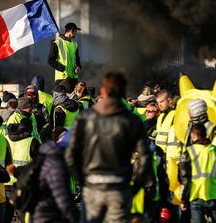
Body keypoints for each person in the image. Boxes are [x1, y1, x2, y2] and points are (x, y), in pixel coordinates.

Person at [65, 71, 151, 223]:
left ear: (103, 91)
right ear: (123, 92)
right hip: (119, 188)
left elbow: (70, 155)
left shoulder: (85, 118)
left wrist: (82, 182)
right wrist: (134, 189)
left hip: (92, 188)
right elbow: (145, 158)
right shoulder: (132, 121)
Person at [179, 124, 216, 223]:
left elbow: (184, 178)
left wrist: (184, 200)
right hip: (214, 194)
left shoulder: (189, 152)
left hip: (196, 195)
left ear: (193, 135)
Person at [31, 140, 80, 223]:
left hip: (36, 214)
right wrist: (77, 218)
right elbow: (63, 200)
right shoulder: (57, 166)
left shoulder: (42, 160)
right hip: (48, 215)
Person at [47, 22, 82, 92]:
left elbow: (77, 59)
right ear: (71, 31)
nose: (76, 33)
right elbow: (50, 60)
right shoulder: (57, 43)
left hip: (73, 78)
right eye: (75, 31)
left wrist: (79, 67)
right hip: (62, 78)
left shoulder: (75, 44)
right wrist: (62, 68)